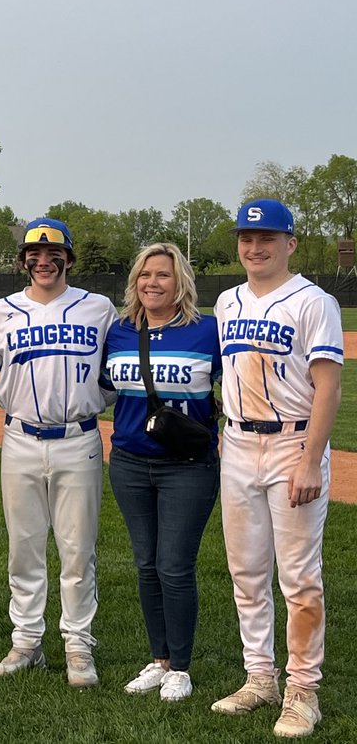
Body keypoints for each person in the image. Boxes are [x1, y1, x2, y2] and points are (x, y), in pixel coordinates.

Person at [210, 199, 343, 738]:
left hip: (293, 445)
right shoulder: (226, 301)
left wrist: (312, 459)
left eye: (267, 238)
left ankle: (303, 690)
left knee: (299, 578)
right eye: (246, 238)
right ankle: (260, 677)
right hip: (238, 444)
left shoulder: (314, 301)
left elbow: (329, 386)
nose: (255, 247)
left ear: (290, 243)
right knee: (246, 573)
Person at [0, 217, 116, 687]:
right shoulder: (1, 311)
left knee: (77, 550)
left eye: (53, 254)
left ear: (68, 260)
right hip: (18, 439)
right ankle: (27, 641)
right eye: (33, 256)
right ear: (23, 263)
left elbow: (116, 373)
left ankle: (78, 644)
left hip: (79, 439)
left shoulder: (97, 308)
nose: (43, 262)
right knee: (24, 548)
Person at [102, 243, 220, 702]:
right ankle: (160, 660)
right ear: (135, 282)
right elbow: (106, 389)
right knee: (146, 565)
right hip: (130, 462)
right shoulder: (119, 333)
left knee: (174, 565)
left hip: (187, 466)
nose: (153, 283)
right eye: (145, 275)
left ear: (181, 282)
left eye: (163, 275)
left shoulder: (206, 332)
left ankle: (182, 668)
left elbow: (237, 385)